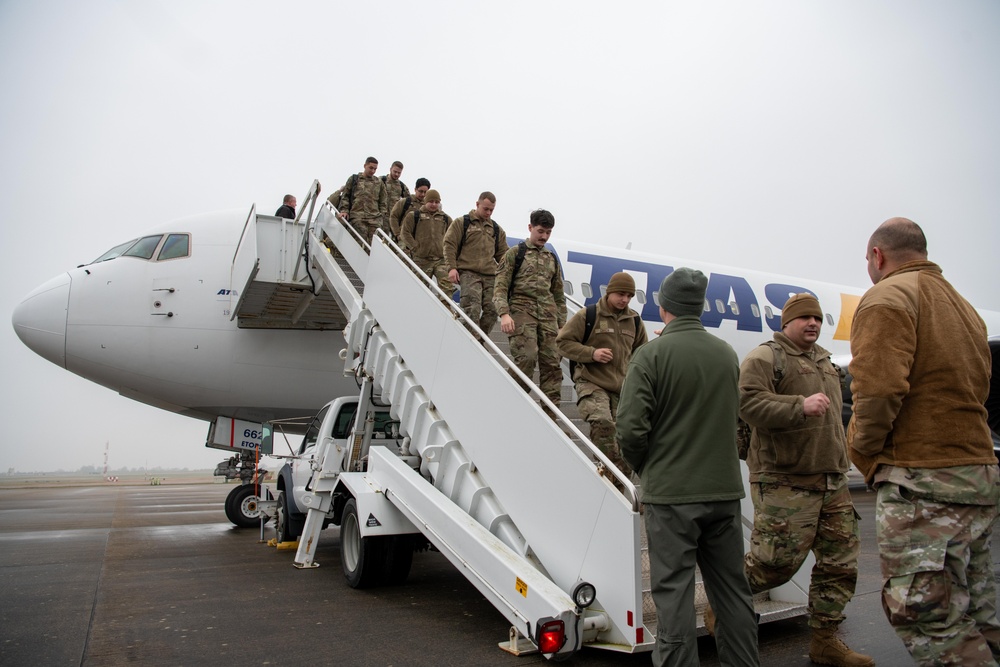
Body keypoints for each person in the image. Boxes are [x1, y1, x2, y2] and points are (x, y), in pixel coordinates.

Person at [847, 217, 1000, 666]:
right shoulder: (965, 307)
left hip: (925, 479)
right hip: (977, 473)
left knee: (922, 612)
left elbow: (877, 391)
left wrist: (863, 451)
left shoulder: (887, 297)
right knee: (977, 609)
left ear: (878, 255)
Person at [717, 292, 872, 667]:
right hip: (786, 479)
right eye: (805, 318)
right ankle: (724, 608)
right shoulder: (766, 356)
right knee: (775, 563)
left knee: (840, 563)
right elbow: (746, 403)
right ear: (787, 322)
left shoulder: (824, 361)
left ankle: (825, 639)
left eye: (817, 319)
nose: (813, 324)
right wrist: (796, 406)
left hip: (831, 478)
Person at [616, 268, 759, 667]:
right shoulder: (726, 353)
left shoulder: (652, 355)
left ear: (664, 307)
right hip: (724, 492)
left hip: (673, 497)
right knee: (732, 591)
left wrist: (648, 467)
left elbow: (629, 428)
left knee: (674, 592)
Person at [556, 272, 647, 476]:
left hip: (621, 388)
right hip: (592, 381)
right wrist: (592, 353)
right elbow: (562, 343)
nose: (625, 300)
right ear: (610, 292)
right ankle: (607, 471)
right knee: (602, 423)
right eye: (621, 294)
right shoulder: (588, 316)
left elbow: (643, 353)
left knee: (624, 439)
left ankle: (616, 484)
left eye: (629, 296)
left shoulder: (635, 321)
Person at [493, 209, 567, 410]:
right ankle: (511, 406)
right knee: (526, 357)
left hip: (548, 316)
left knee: (552, 365)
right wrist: (504, 314)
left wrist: (562, 325)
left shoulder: (551, 258)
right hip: (521, 310)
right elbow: (499, 286)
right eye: (541, 231)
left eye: (548, 232)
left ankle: (550, 418)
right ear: (530, 228)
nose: (544, 236)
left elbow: (558, 296)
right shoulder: (515, 254)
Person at [443, 192, 506, 334]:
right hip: (468, 272)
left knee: (492, 309)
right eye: (486, 209)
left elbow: (503, 255)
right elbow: (449, 245)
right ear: (477, 205)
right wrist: (451, 268)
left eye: (491, 210)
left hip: (490, 275)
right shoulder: (462, 223)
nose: (488, 213)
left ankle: (479, 340)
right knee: (472, 309)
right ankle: (471, 341)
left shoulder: (496, 230)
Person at [399, 189, 453, 294]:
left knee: (447, 287)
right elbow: (405, 233)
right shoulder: (414, 216)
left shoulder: (445, 219)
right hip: (421, 260)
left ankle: (446, 308)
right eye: (431, 201)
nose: (434, 204)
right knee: (420, 289)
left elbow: (453, 237)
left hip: (440, 260)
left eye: (437, 202)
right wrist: (415, 247)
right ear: (425, 201)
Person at [336, 157, 388, 244]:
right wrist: (344, 210)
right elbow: (345, 196)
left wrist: (381, 217)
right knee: (358, 244)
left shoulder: (379, 183)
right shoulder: (354, 179)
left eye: (375, 169)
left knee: (374, 246)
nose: (373, 171)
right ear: (365, 166)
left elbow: (383, 201)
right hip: (357, 217)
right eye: (371, 168)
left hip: (374, 219)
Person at [381, 160, 410, 229]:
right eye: (395, 171)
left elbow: (409, 201)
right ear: (390, 169)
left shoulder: (402, 186)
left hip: (393, 219)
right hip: (380, 217)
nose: (396, 174)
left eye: (399, 173)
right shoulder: (381, 181)